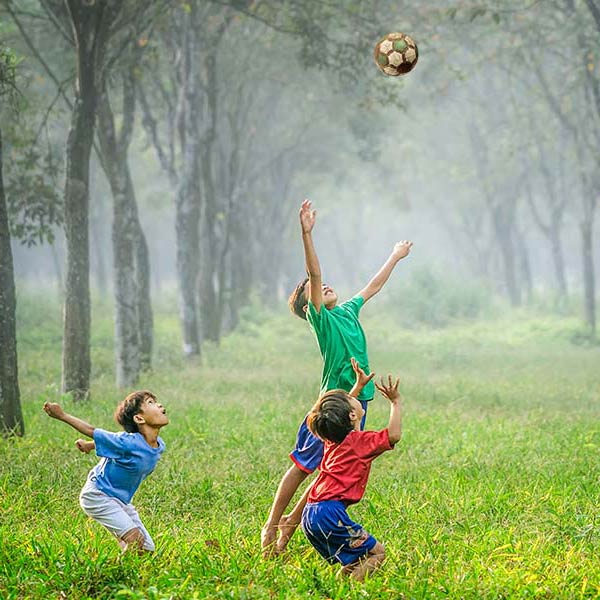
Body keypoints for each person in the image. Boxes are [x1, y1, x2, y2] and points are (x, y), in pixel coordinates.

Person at [261, 198, 412, 555]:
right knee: (302, 466)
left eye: (324, 285)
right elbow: (314, 274)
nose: (324, 285)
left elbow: (372, 286)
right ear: (307, 304)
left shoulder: (346, 311)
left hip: (357, 403)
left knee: (329, 473)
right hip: (331, 405)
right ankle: (271, 527)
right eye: (313, 289)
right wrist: (306, 234)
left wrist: (394, 256)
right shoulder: (322, 320)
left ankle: (287, 534)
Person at [301, 365, 402, 581]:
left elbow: (339, 413)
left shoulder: (331, 439)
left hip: (310, 514)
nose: (352, 397)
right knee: (377, 553)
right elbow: (393, 435)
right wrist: (395, 402)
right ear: (352, 414)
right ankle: (351, 592)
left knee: (356, 559)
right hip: (329, 514)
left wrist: (358, 386)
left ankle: (337, 588)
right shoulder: (360, 443)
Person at [42, 390, 168, 553]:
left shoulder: (159, 445)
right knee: (136, 541)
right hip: (98, 495)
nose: (159, 404)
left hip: (121, 501)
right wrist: (62, 415)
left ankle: (125, 551)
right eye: (150, 402)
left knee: (146, 549)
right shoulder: (127, 442)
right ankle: (111, 573)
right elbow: (92, 430)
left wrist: (89, 445)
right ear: (139, 418)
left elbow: (115, 443)